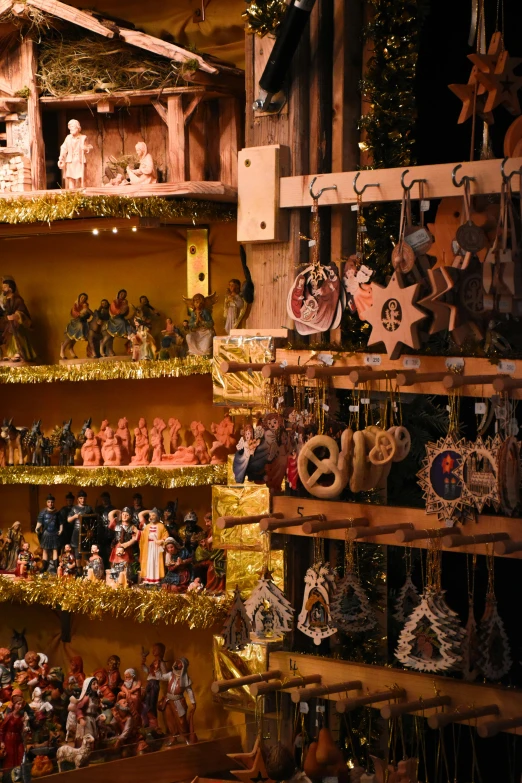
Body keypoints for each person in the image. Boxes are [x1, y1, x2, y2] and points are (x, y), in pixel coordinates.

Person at [158, 658, 197, 744]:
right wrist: (157, 669)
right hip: (168, 701)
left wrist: (193, 702)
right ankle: (173, 737)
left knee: (181, 721)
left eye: (179, 663)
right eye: (177, 662)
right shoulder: (170, 675)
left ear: (183, 666)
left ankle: (186, 737)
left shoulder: (185, 678)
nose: (176, 664)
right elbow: (160, 677)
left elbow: (189, 691)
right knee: (170, 720)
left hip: (178, 701)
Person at [0, 277, 37, 362]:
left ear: (10, 288)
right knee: (8, 337)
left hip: (17, 324)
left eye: (5, 287)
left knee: (17, 335)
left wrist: (16, 315)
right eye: (3, 287)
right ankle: (10, 353)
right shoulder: (5, 300)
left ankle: (19, 352)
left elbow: (22, 310)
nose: (3, 289)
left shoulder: (17, 299)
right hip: (8, 323)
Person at [57, 119, 92, 189]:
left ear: (77, 128)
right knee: (71, 179)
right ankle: (71, 194)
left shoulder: (83, 138)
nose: (71, 129)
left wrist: (85, 148)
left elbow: (90, 147)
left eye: (73, 127)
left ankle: (83, 193)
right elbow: (64, 148)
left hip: (80, 161)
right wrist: (61, 157)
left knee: (81, 178)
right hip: (70, 161)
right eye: (70, 127)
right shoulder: (68, 138)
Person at [138, 509, 168, 586]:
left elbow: (166, 536)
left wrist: (162, 540)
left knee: (156, 562)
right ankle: (148, 578)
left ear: (157, 517)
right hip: (148, 547)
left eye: (153, 515)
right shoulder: (147, 526)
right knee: (149, 562)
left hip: (157, 547)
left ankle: (157, 579)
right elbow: (143, 536)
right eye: (150, 515)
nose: (151, 517)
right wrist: (138, 534)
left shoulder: (161, 526)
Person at [67, 490, 94, 570]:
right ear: (78, 499)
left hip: (86, 532)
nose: (83, 500)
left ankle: (88, 570)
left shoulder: (89, 508)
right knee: (77, 553)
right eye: (81, 498)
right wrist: (74, 516)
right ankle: (78, 570)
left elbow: (94, 519)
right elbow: (68, 519)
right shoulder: (74, 508)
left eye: (84, 498)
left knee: (87, 553)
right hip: (76, 532)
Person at [141, 642, 166, 728]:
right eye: (153, 649)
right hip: (149, 683)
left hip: (154, 684)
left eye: (156, 649)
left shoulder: (161, 663)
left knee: (151, 705)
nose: (153, 650)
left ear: (161, 651)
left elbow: (165, 676)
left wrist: (158, 675)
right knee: (146, 704)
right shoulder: (154, 662)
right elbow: (148, 671)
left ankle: (154, 726)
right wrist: (143, 662)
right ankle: (148, 724)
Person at [60, 293, 93, 359]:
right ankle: (62, 349)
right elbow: (74, 312)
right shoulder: (76, 304)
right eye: (82, 297)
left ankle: (71, 349)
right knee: (79, 326)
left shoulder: (85, 305)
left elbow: (89, 314)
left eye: (84, 298)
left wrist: (87, 310)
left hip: (83, 321)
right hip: (76, 321)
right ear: (79, 297)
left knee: (88, 327)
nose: (83, 299)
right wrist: (82, 312)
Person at [35, 494, 63, 573]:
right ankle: (44, 567)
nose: (50, 503)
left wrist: (61, 530)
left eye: (52, 502)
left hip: (54, 533)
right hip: (46, 533)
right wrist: (37, 528)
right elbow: (39, 522)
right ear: (46, 503)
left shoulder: (57, 512)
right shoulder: (42, 512)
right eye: (49, 502)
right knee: (45, 550)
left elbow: (61, 523)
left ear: (54, 503)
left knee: (55, 550)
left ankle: (56, 567)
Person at [102, 290, 134, 356]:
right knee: (122, 323)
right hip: (115, 318)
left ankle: (131, 347)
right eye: (122, 294)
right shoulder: (114, 302)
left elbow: (127, 311)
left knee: (130, 327)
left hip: (122, 317)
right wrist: (121, 310)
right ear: (119, 294)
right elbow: (115, 310)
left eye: (124, 295)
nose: (123, 295)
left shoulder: (125, 302)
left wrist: (126, 307)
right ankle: (123, 333)